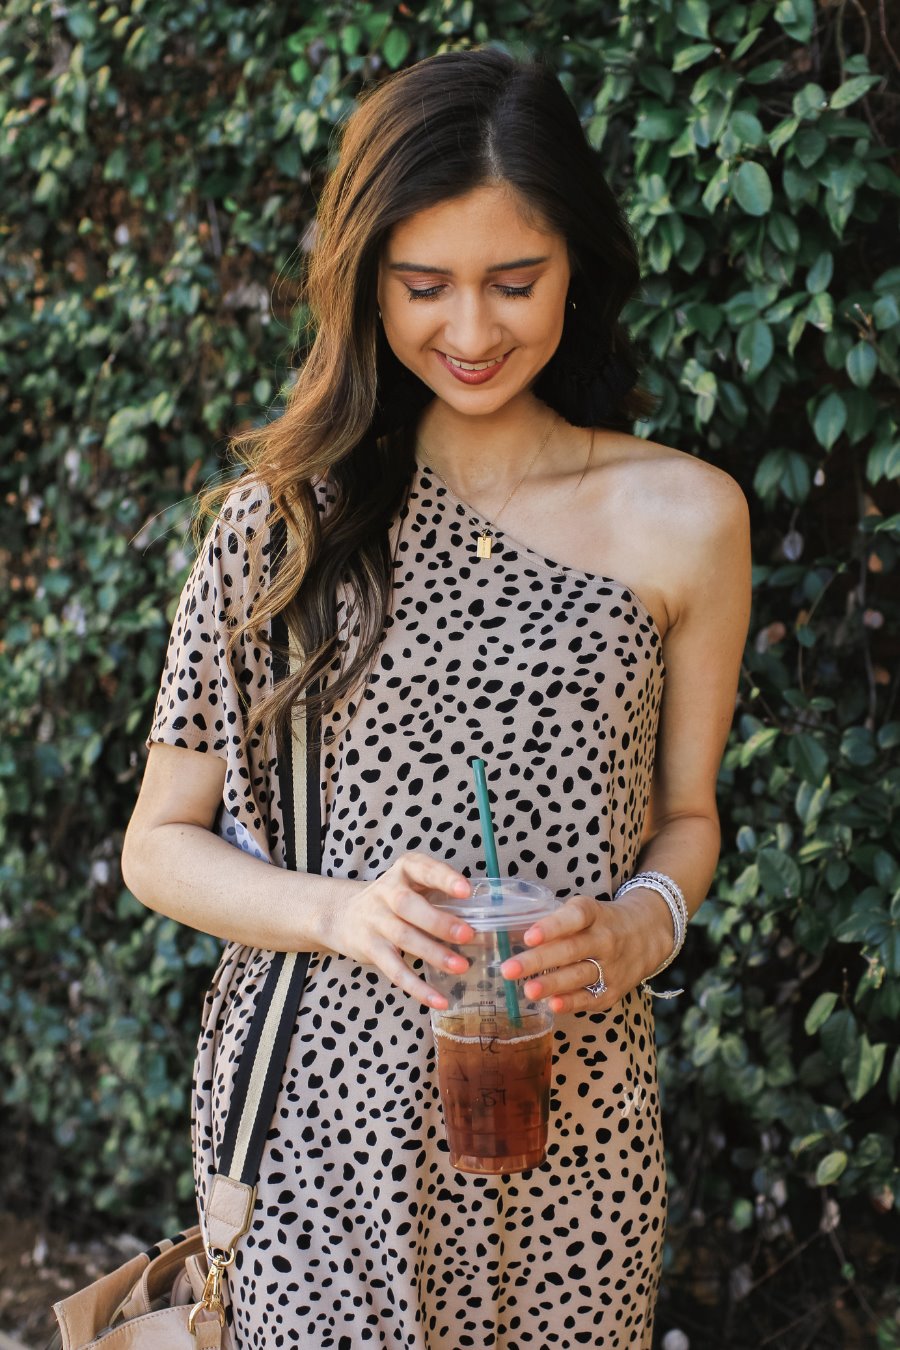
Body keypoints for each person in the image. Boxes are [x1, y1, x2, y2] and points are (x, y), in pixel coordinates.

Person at [122, 44, 751, 1350]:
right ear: (367, 282)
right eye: (424, 287)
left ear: (576, 266)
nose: (470, 332)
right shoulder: (281, 525)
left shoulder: (690, 519)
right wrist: (341, 910)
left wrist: (642, 927)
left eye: (514, 282)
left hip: (575, 1127)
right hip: (317, 1131)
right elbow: (158, 843)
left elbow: (687, 817)